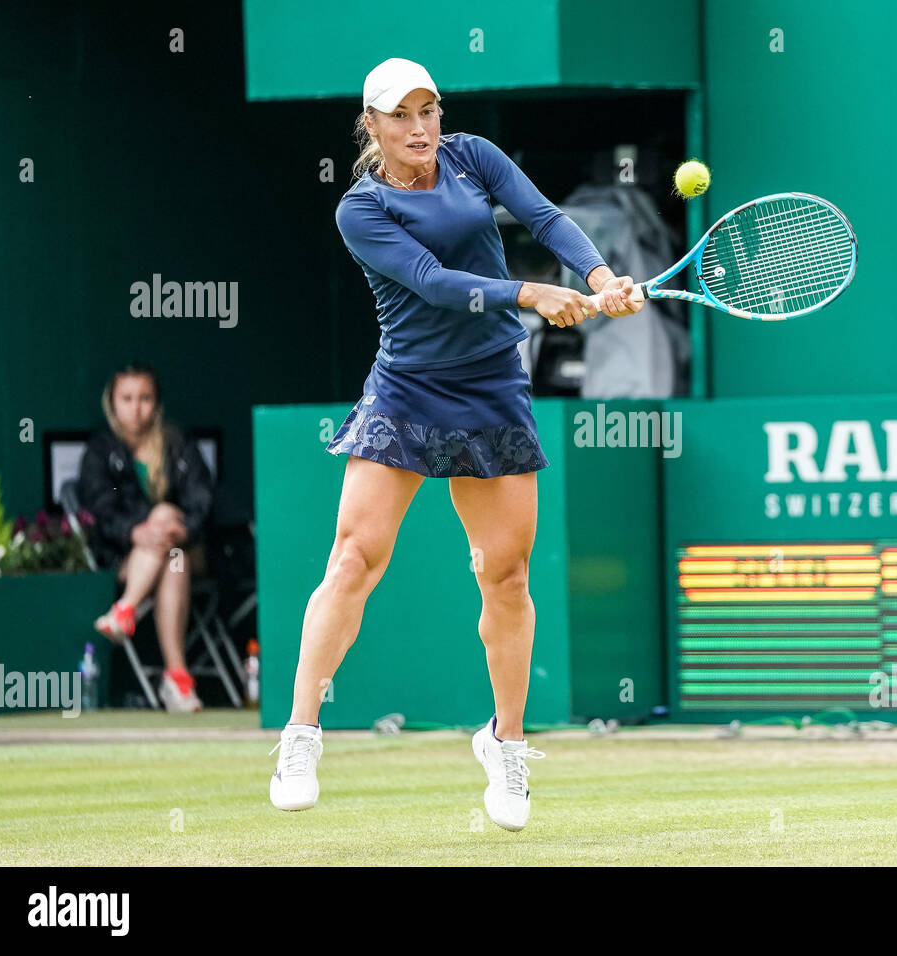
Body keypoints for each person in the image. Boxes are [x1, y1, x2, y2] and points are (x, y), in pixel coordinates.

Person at [268, 58, 643, 829]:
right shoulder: (360, 209)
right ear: (370, 126)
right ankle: (302, 732)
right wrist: (532, 293)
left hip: (491, 387)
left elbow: (543, 218)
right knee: (353, 559)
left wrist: (601, 276)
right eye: (399, 116)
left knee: (505, 576)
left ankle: (505, 746)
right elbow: (436, 282)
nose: (419, 129)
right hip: (407, 388)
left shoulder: (473, 156)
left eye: (428, 110)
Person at [78, 363, 216, 713]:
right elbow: (99, 509)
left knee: (168, 525)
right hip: (126, 558)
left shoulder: (176, 441)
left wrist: (179, 527)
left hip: (188, 544)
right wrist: (135, 531)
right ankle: (178, 678)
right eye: (126, 398)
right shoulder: (100, 449)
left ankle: (125, 610)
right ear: (112, 402)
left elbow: (202, 499)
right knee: (174, 559)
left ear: (156, 403)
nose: (136, 408)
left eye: (144, 398)